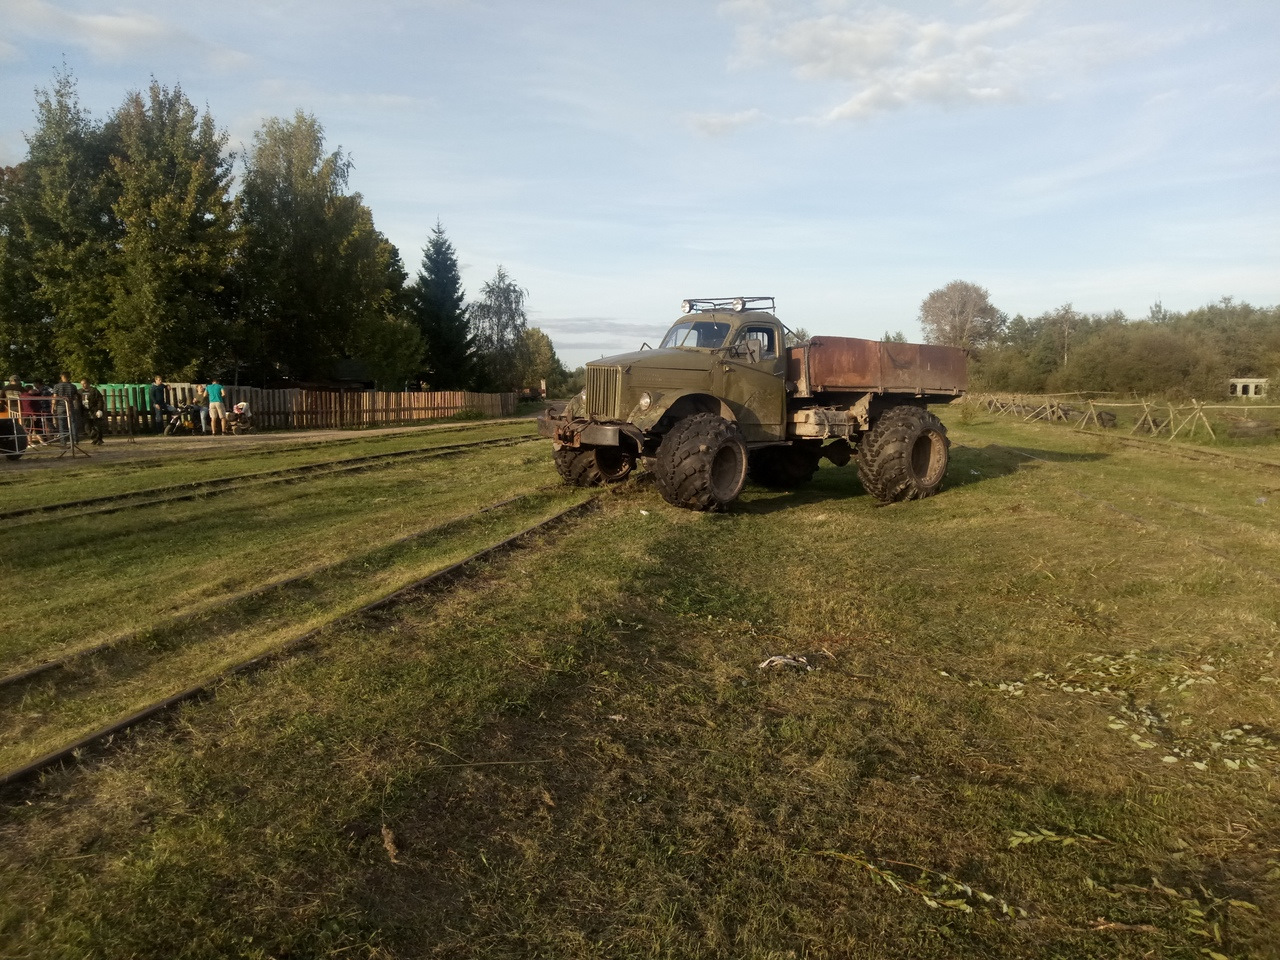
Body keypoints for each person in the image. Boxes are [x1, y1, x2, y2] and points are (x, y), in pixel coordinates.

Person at [51, 372, 81, 445]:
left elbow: (54, 397)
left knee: (61, 424)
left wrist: (52, 406)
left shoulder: (57, 386)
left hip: (60, 406)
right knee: (72, 423)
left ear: (62, 377)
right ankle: (75, 439)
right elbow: (75, 397)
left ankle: (63, 441)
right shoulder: (73, 386)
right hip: (70, 406)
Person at [80, 379, 106, 445]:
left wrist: (99, 409)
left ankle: (98, 440)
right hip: (85, 411)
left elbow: (100, 400)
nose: (83, 385)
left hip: (94, 410)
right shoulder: (80, 391)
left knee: (96, 426)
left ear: (88, 383)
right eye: (81, 384)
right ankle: (95, 438)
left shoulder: (94, 391)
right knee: (87, 427)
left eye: (84, 383)